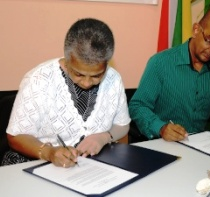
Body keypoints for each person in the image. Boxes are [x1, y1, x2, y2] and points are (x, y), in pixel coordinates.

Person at [2, 18, 131, 167]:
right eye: (79, 74)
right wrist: (49, 152)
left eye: (96, 76)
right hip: (34, 163)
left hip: (87, 168)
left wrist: (104, 137)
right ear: (67, 59)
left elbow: (122, 125)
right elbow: (15, 136)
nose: (87, 83)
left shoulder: (113, 79)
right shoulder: (39, 79)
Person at [129, 8, 210, 142]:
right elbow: (138, 106)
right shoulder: (161, 63)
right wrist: (161, 127)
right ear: (196, 30)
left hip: (199, 146)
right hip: (162, 144)